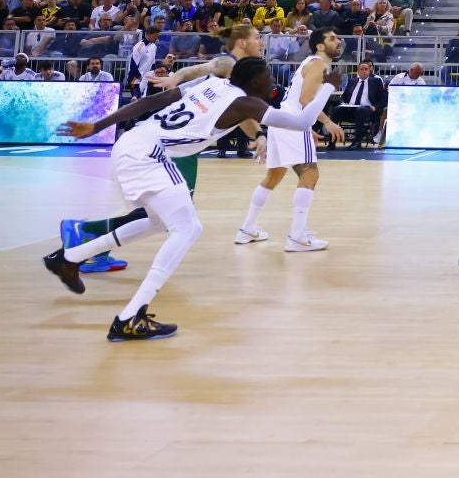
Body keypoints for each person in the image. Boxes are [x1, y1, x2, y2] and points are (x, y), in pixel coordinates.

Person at [44, 56, 338, 341]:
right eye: (268, 78)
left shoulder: (209, 85)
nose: (272, 82)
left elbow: (152, 102)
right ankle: (130, 316)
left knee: (160, 222)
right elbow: (302, 122)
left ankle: (68, 258)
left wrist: (98, 125)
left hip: (132, 142)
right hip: (147, 154)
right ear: (254, 82)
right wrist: (327, 87)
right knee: (188, 228)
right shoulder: (246, 102)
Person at [55, 23, 268, 275]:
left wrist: (258, 133)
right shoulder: (229, 65)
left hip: (181, 144)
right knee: (169, 215)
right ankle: (87, 235)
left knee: (164, 214)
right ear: (242, 42)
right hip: (174, 145)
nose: (262, 42)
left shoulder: (234, 74)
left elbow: (238, 112)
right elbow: (207, 67)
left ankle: (87, 242)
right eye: (257, 38)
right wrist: (178, 76)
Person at [234, 29, 346, 251]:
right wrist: (327, 122)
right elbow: (305, 100)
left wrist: (308, 127)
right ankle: (297, 237)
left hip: (282, 121)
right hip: (293, 120)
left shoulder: (310, 63)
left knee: (274, 175)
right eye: (332, 38)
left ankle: (247, 229)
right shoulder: (317, 65)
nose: (339, 40)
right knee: (309, 173)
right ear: (320, 46)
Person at [333, 59, 388, 148]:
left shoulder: (375, 82)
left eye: (366, 69)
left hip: (367, 109)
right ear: (358, 71)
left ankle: (357, 141)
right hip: (350, 108)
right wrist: (342, 103)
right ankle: (332, 141)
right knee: (336, 110)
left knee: (360, 110)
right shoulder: (352, 81)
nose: (364, 71)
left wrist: (375, 107)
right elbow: (344, 96)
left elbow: (383, 99)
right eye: (361, 69)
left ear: (369, 70)